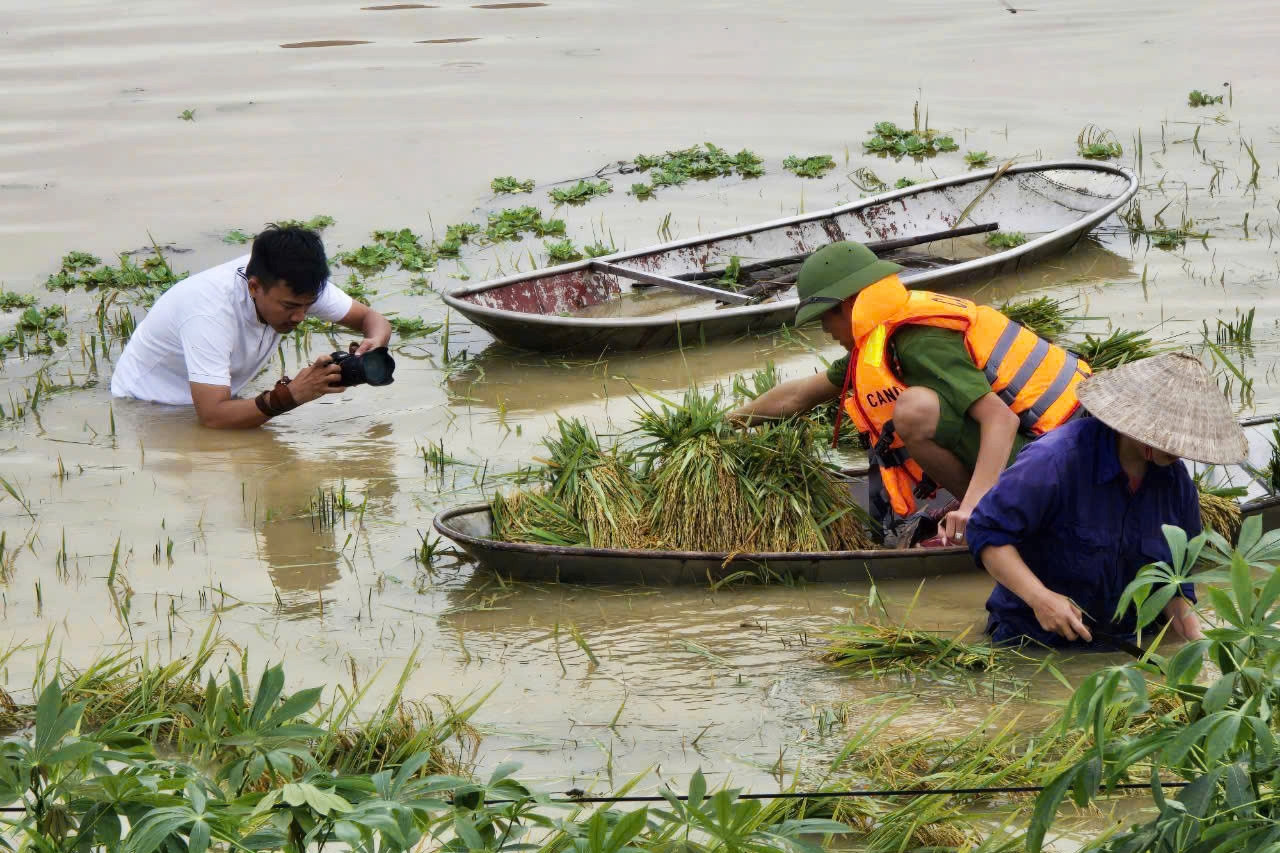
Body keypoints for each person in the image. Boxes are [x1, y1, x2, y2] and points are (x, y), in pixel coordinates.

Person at [730, 240, 1091, 543]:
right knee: (919, 406)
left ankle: (984, 517)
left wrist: (972, 507)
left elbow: (1001, 419)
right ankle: (981, 502)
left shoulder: (920, 340)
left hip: (1062, 456)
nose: (827, 332)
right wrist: (730, 421)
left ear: (848, 306)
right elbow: (798, 396)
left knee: (913, 410)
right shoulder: (880, 339)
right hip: (1048, 445)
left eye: (826, 321)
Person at [965, 351, 1247, 647]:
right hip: (1035, 641)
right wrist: (1041, 598)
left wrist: (1198, 641)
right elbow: (986, 533)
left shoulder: (1176, 485)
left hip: (1129, 644)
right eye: (1166, 435)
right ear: (1132, 417)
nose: (1177, 447)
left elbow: (1174, 583)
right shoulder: (1054, 461)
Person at [111, 225, 393, 429]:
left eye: (308, 305)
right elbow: (212, 418)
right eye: (290, 307)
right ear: (254, 286)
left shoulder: (295, 282)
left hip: (219, 399)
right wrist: (291, 395)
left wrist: (374, 344)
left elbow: (373, 320)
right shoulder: (209, 313)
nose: (300, 317)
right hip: (150, 410)